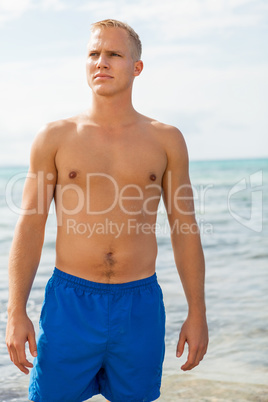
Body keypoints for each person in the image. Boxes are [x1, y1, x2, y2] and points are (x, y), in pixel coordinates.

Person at [6, 19, 208, 402]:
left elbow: (184, 229)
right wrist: (15, 311)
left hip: (140, 304)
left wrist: (197, 312)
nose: (101, 61)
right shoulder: (55, 137)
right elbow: (30, 229)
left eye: (114, 53)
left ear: (137, 67)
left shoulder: (166, 139)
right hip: (71, 303)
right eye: (93, 54)